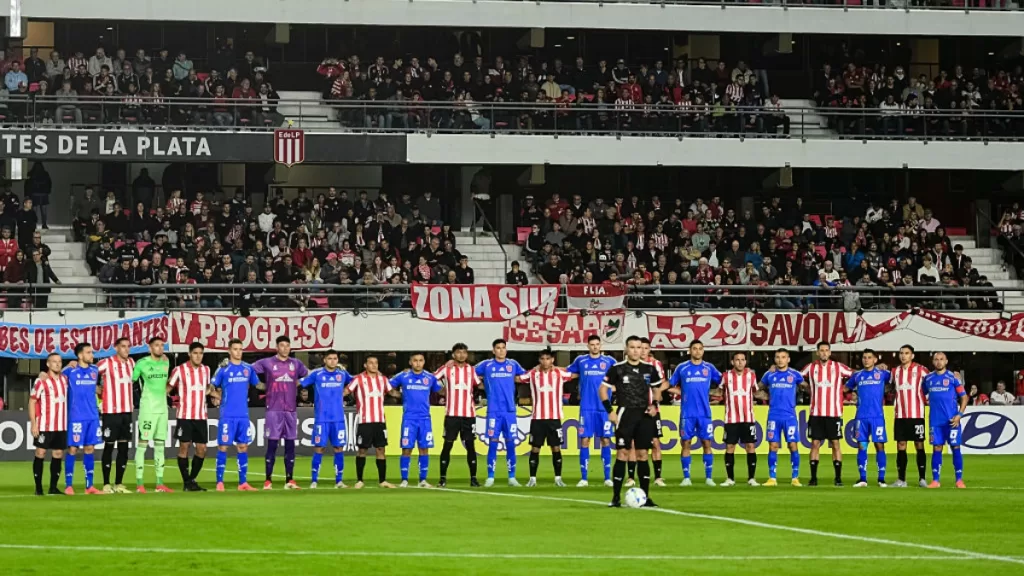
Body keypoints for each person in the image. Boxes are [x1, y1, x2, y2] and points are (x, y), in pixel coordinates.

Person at [603, 335, 663, 508]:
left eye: (639, 347)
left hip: (644, 416)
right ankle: (615, 497)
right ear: (626, 349)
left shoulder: (649, 369)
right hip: (625, 414)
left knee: (643, 454)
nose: (636, 351)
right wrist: (610, 410)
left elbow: (657, 390)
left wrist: (655, 405)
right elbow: (602, 390)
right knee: (622, 453)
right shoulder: (617, 368)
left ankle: (646, 497)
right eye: (632, 347)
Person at [252, 335, 309, 490]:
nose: (285, 348)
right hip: (274, 410)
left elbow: (307, 375)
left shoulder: (296, 363)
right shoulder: (267, 362)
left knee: (290, 446)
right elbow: (248, 370)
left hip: (290, 410)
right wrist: (261, 385)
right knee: (272, 445)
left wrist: (298, 383)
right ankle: (268, 480)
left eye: (287, 346)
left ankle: (289, 479)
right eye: (282, 345)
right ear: (277, 347)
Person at [565, 335, 616, 488]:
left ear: (601, 345)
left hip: (603, 408)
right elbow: (568, 373)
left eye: (597, 344)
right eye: (592, 344)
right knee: (585, 440)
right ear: (588, 346)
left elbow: (620, 376)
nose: (595, 347)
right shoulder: (581, 361)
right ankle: (584, 478)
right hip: (586, 407)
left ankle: (607, 478)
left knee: (605, 440)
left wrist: (616, 388)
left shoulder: (609, 361)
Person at [669, 339, 721, 487]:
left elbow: (724, 382)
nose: (697, 351)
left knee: (707, 443)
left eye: (700, 348)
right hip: (687, 413)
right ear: (690, 351)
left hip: (704, 413)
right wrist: (681, 392)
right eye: (694, 348)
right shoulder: (682, 368)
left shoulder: (709, 368)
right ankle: (686, 477)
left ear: (703, 351)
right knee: (686, 443)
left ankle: (709, 478)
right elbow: (670, 385)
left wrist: (714, 394)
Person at [475, 338, 527, 487]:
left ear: (506, 349)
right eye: (498, 348)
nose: (501, 350)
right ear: (493, 350)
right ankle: (490, 477)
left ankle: (512, 477)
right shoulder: (486, 365)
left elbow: (526, 376)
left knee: (511, 444)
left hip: (510, 410)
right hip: (493, 411)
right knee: (493, 444)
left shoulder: (513, 364)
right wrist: (481, 385)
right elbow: (468, 373)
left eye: (503, 347)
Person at [211, 338, 261, 492]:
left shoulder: (248, 368)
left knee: (243, 446)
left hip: (243, 414)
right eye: (235, 349)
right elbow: (211, 387)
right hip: (227, 414)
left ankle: (243, 483)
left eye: (240, 349)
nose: (238, 352)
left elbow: (258, 384)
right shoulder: (223, 368)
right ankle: (220, 482)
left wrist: (276, 385)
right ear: (229, 350)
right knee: (223, 446)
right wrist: (218, 396)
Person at [801, 341, 852, 487]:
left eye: (826, 350)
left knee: (835, 444)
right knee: (815, 443)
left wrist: (846, 388)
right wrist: (807, 388)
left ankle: (838, 478)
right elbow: (797, 377)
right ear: (817, 352)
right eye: (821, 350)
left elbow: (855, 375)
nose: (824, 353)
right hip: (816, 413)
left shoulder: (838, 367)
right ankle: (813, 478)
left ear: (830, 352)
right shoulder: (811, 367)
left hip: (833, 413)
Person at [300, 350, 352, 489]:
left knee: (339, 448)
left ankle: (339, 481)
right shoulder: (317, 374)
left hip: (338, 418)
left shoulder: (342, 374)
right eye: (330, 358)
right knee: (319, 448)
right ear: (324, 360)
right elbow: (301, 383)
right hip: (321, 418)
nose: (333, 361)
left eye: (335, 358)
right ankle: (314, 481)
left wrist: (347, 391)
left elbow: (356, 382)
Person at [390, 352, 442, 488]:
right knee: (407, 448)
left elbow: (440, 391)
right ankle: (404, 480)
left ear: (424, 362)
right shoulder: (403, 376)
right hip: (409, 419)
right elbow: (387, 387)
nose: (418, 363)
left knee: (424, 449)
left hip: (425, 419)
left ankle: (422, 480)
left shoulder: (430, 377)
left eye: (420, 360)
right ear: (410, 362)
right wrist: (398, 394)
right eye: (415, 360)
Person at [521, 349, 571, 488]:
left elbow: (574, 373)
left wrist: (559, 367)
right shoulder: (533, 374)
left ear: (552, 360)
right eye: (542, 359)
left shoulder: (559, 373)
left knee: (556, 447)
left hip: (554, 418)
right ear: (539, 360)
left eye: (548, 359)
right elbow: (518, 378)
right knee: (535, 448)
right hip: (537, 418)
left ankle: (558, 478)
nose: (545, 361)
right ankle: (532, 479)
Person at [345, 354, 396, 489]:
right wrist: (332, 397)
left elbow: (392, 392)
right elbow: (346, 391)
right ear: (365, 365)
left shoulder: (383, 379)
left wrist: (408, 392)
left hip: (380, 420)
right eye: (371, 363)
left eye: (376, 363)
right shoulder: (358, 379)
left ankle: (383, 481)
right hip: (364, 420)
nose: (374, 365)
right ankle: (360, 480)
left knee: (381, 449)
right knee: (362, 450)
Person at [434, 342, 480, 488]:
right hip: (452, 414)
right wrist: (440, 391)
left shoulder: (471, 370)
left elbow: (478, 385)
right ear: (453, 354)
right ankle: (442, 478)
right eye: (459, 352)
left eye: (464, 352)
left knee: (471, 446)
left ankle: (473, 478)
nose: (461, 355)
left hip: (469, 414)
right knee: (447, 445)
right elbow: (431, 379)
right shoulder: (446, 368)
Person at [169, 342, 213, 491]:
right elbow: (168, 387)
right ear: (189, 354)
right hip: (185, 415)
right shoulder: (179, 370)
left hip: (201, 416)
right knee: (184, 447)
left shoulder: (206, 370)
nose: (198, 356)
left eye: (201, 353)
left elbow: (207, 388)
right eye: (195, 353)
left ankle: (191, 480)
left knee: (202, 449)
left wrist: (214, 393)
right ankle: (188, 482)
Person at [845, 349, 891, 488]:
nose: (866, 360)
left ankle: (881, 479)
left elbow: (897, 378)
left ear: (875, 360)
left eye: (869, 357)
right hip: (861, 417)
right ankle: (862, 479)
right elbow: (845, 389)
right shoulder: (857, 375)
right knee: (862, 446)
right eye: (864, 357)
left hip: (877, 416)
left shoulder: (883, 374)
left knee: (879, 445)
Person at [922, 352, 968, 489]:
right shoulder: (928, 378)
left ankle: (959, 480)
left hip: (952, 420)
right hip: (935, 421)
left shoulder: (953, 378)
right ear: (933, 362)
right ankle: (935, 480)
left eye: (941, 359)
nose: (939, 362)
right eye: (936, 359)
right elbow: (921, 394)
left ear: (946, 361)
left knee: (955, 447)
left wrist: (959, 415)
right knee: (937, 448)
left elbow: (964, 397)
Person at [131, 337, 171, 493]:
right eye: (157, 345)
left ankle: (160, 482)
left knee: (160, 446)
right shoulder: (142, 363)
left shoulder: (166, 362)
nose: (160, 348)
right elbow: (131, 381)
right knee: (143, 444)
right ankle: (139, 483)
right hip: (148, 408)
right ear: (150, 348)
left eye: (162, 345)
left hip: (162, 409)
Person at [96, 338, 135, 493]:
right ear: (116, 348)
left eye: (128, 347)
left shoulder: (131, 363)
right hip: (111, 411)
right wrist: (96, 388)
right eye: (123, 346)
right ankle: (106, 483)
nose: (126, 349)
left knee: (124, 448)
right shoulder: (107, 363)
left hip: (127, 411)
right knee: (109, 446)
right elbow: (89, 373)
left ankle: (119, 483)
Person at [760, 348, 804, 487]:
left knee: (793, 445)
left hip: (789, 416)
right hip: (774, 416)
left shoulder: (795, 374)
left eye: (783, 357)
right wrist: (764, 395)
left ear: (788, 359)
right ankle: (772, 478)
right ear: (775, 359)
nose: (780, 360)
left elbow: (807, 387)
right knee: (773, 446)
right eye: (778, 357)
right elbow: (757, 388)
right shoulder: (769, 374)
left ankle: (795, 477)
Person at [63, 343, 103, 495]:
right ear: (80, 355)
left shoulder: (95, 370)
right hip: (76, 417)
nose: (92, 355)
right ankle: (68, 485)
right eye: (88, 352)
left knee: (90, 449)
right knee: (73, 449)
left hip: (92, 416)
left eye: (92, 352)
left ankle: (89, 486)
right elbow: (53, 375)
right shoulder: (70, 371)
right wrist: (43, 374)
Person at [717, 351, 759, 487]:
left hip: (748, 418)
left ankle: (751, 478)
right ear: (732, 362)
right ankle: (730, 478)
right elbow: (719, 392)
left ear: (746, 362)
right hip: (731, 418)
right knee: (730, 446)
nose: (740, 362)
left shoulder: (751, 376)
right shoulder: (726, 376)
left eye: (742, 360)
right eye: (737, 360)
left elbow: (756, 392)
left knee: (750, 446)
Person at [890, 344, 930, 488]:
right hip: (900, 415)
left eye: (906, 353)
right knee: (901, 445)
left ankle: (922, 478)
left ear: (912, 355)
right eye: (901, 353)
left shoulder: (921, 370)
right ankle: (901, 479)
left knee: (919, 444)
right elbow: (888, 384)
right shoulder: (895, 371)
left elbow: (932, 382)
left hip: (916, 414)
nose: (903, 356)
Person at [30, 353, 68, 496]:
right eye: (54, 361)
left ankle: (53, 487)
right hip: (45, 425)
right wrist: (33, 423)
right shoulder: (41, 381)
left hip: (61, 425)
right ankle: (38, 488)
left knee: (58, 453)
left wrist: (71, 365)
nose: (57, 364)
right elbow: (32, 401)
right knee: (40, 452)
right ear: (48, 364)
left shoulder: (64, 379)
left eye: (59, 362)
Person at [637, 337, 667, 487]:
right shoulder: (631, 365)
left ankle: (658, 477)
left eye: (646, 348)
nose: (643, 351)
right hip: (635, 410)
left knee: (655, 442)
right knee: (634, 445)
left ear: (649, 350)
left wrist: (655, 400)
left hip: (653, 410)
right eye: (640, 348)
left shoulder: (656, 364)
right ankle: (631, 477)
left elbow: (662, 383)